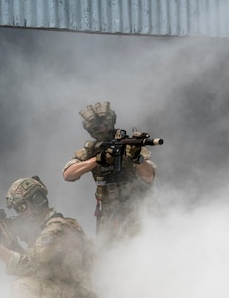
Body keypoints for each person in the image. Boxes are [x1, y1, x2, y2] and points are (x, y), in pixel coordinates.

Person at [0, 176, 99, 298]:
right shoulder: (51, 227)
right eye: (17, 210)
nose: (20, 215)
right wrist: (11, 244)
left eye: (22, 207)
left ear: (37, 201)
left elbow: (30, 266)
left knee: (23, 287)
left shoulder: (56, 230)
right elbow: (39, 266)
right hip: (72, 294)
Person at [62, 101, 158, 242]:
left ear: (112, 123)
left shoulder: (129, 146)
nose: (102, 129)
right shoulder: (90, 151)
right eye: (97, 128)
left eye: (105, 125)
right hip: (110, 215)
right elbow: (68, 174)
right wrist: (97, 159)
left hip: (138, 210)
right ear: (91, 131)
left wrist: (136, 158)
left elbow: (149, 177)